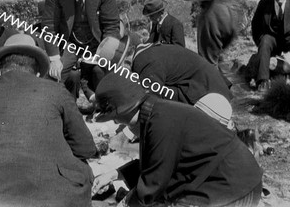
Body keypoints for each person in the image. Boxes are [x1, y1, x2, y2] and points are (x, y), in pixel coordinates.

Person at [0, 34, 98, 207]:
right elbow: (86, 148)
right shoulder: (58, 92)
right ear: (37, 72)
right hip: (58, 199)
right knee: (83, 168)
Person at [92, 73, 262, 207]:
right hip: (233, 179)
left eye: (114, 117)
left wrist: (126, 203)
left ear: (123, 112)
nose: (115, 122)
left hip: (235, 188)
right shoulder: (157, 113)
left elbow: (152, 186)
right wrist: (114, 174)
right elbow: (156, 164)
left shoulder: (160, 122)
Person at [42, 0, 120, 98]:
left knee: (102, 72)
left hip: (97, 43)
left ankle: (104, 109)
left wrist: (105, 53)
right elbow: (49, 25)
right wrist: (54, 58)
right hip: (68, 42)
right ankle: (57, 110)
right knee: (52, 76)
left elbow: (112, 25)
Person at [132, 42, 233, 127]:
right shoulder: (146, 53)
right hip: (203, 84)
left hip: (208, 93)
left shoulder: (144, 62)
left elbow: (153, 105)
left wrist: (129, 131)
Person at [250, 0, 290, 92]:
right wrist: (261, 46)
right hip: (271, 40)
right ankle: (263, 81)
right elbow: (255, 26)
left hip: (288, 42)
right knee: (265, 39)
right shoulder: (264, 3)